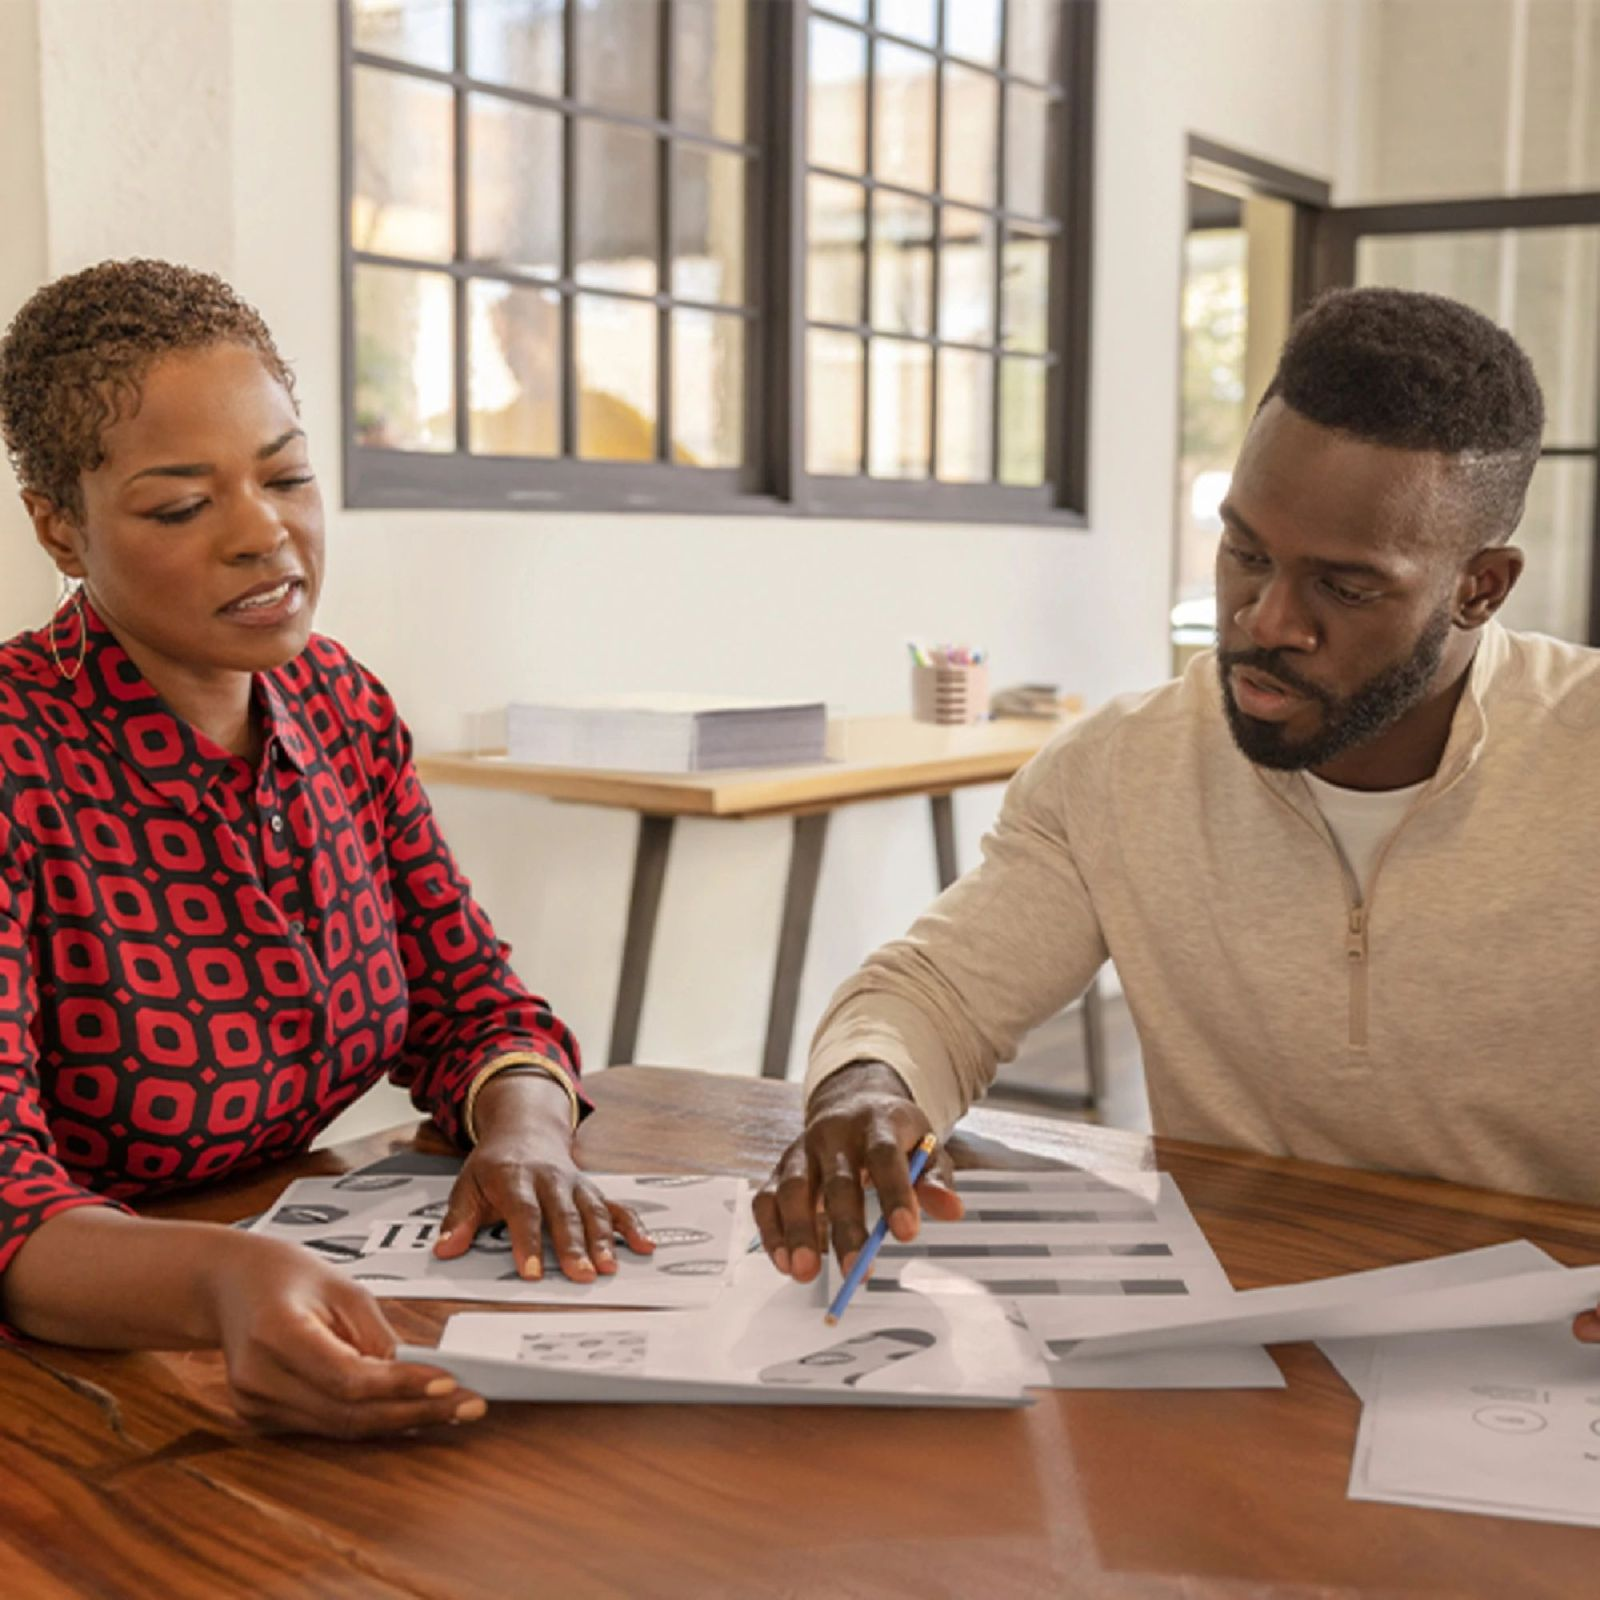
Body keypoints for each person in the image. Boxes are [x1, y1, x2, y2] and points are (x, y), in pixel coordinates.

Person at [753, 286, 1600, 1346]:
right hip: (1239, 1329)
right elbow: (931, 993)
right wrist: (866, 1088)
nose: (1261, 621)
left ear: (1479, 587)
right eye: (1245, 551)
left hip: (1552, 1352)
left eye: (1342, 587)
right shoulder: (1120, 767)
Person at [0, 258, 652, 1436]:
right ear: (60, 525)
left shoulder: (338, 703)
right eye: (181, 506)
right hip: (79, 1378)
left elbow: (476, 1006)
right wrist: (218, 1278)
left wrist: (525, 1131)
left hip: (291, 1288)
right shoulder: (14, 758)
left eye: (289, 474)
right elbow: (3, 1191)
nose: (265, 534)